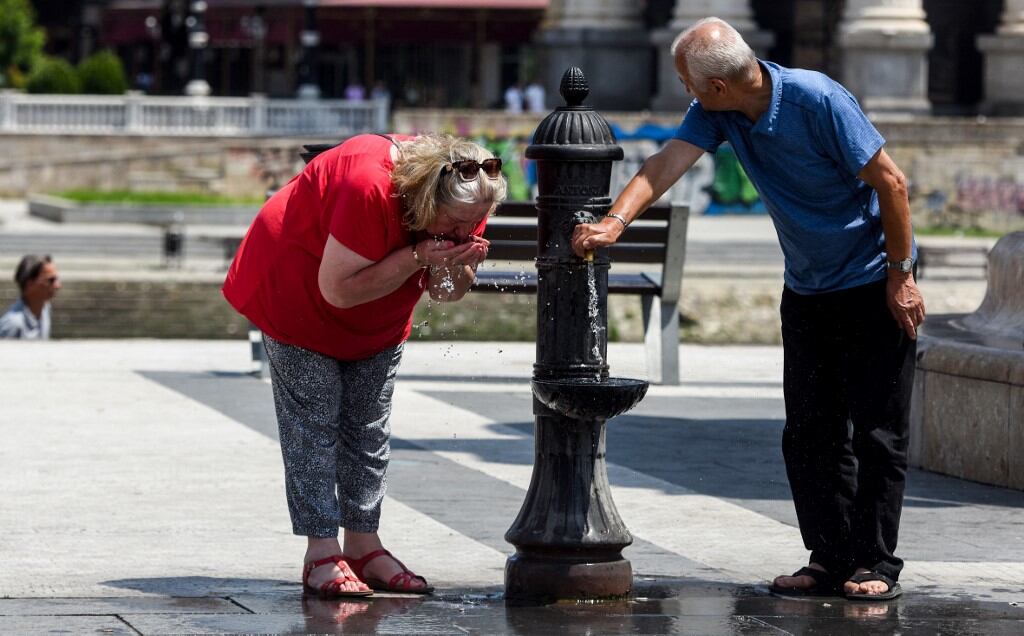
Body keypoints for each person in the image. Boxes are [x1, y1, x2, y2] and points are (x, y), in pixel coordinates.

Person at [571, 17, 925, 601]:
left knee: (879, 434)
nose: (684, 90)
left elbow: (892, 182)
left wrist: (901, 277)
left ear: (713, 86)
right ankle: (830, 558)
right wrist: (614, 222)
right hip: (808, 288)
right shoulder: (718, 111)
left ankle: (876, 565)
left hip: (872, 281)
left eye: (686, 81)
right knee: (810, 433)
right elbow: (665, 164)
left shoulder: (818, 99)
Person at [223, 133, 507, 598]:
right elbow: (337, 290)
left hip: (377, 313)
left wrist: (455, 264)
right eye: (458, 226)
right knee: (313, 426)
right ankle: (320, 553)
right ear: (425, 198)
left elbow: (444, 292)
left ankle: (363, 545)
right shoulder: (369, 185)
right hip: (297, 290)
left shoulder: (468, 186)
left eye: (474, 225)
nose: (464, 233)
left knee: (368, 429)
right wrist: (416, 256)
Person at [0, 255, 61, 340]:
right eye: (51, 280)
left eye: (57, 279)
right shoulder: (12, 324)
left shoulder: (45, 310)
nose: (58, 286)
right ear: (30, 284)